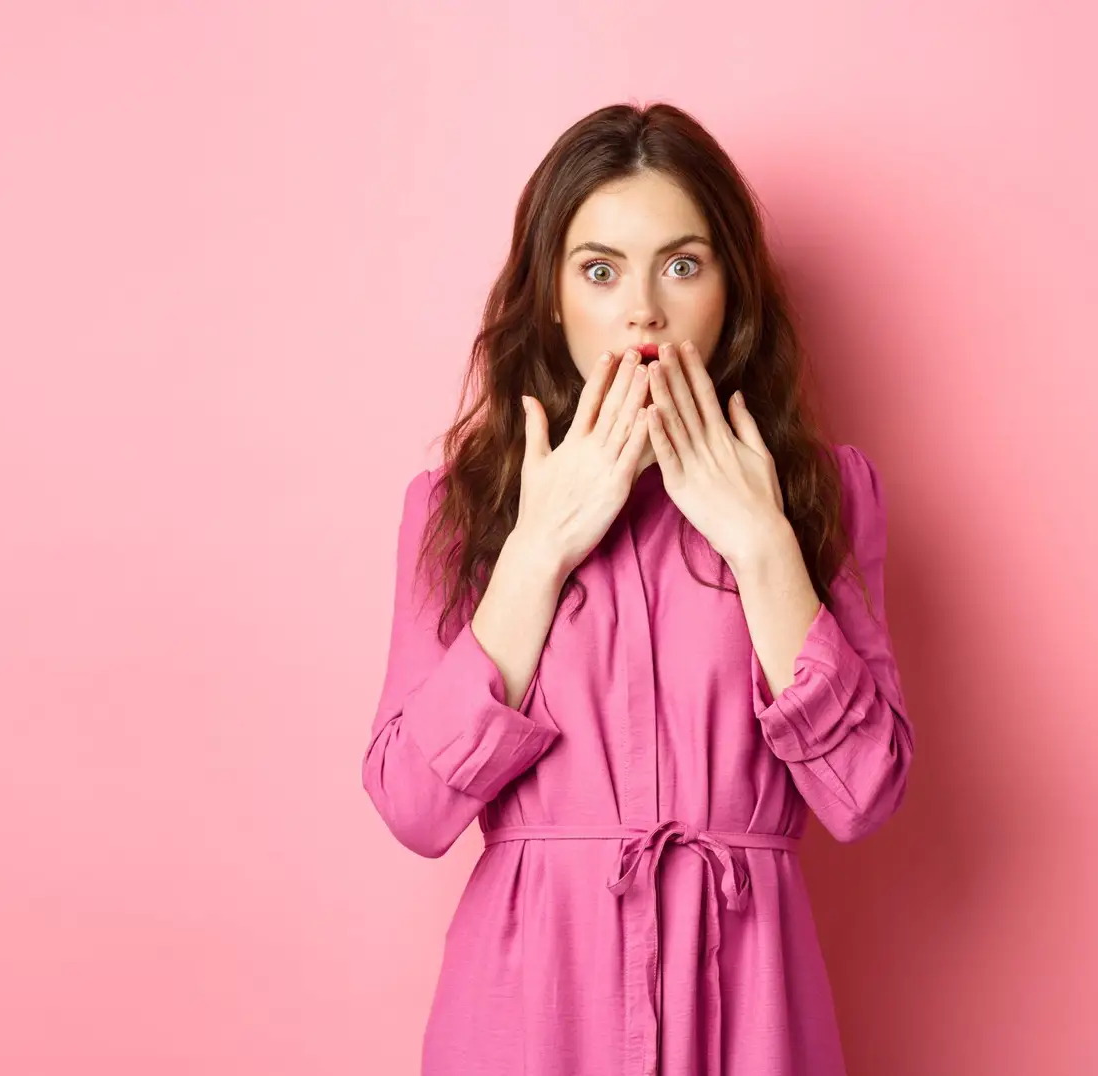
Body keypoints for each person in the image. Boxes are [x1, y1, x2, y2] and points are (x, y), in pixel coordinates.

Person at [361, 101, 917, 1076]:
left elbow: (864, 791)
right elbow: (414, 805)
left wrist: (761, 543)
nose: (643, 309)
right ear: (551, 295)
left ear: (732, 290)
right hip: (529, 1013)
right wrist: (537, 550)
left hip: (749, 1011)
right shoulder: (461, 506)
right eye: (600, 269)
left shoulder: (825, 495)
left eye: (682, 264)